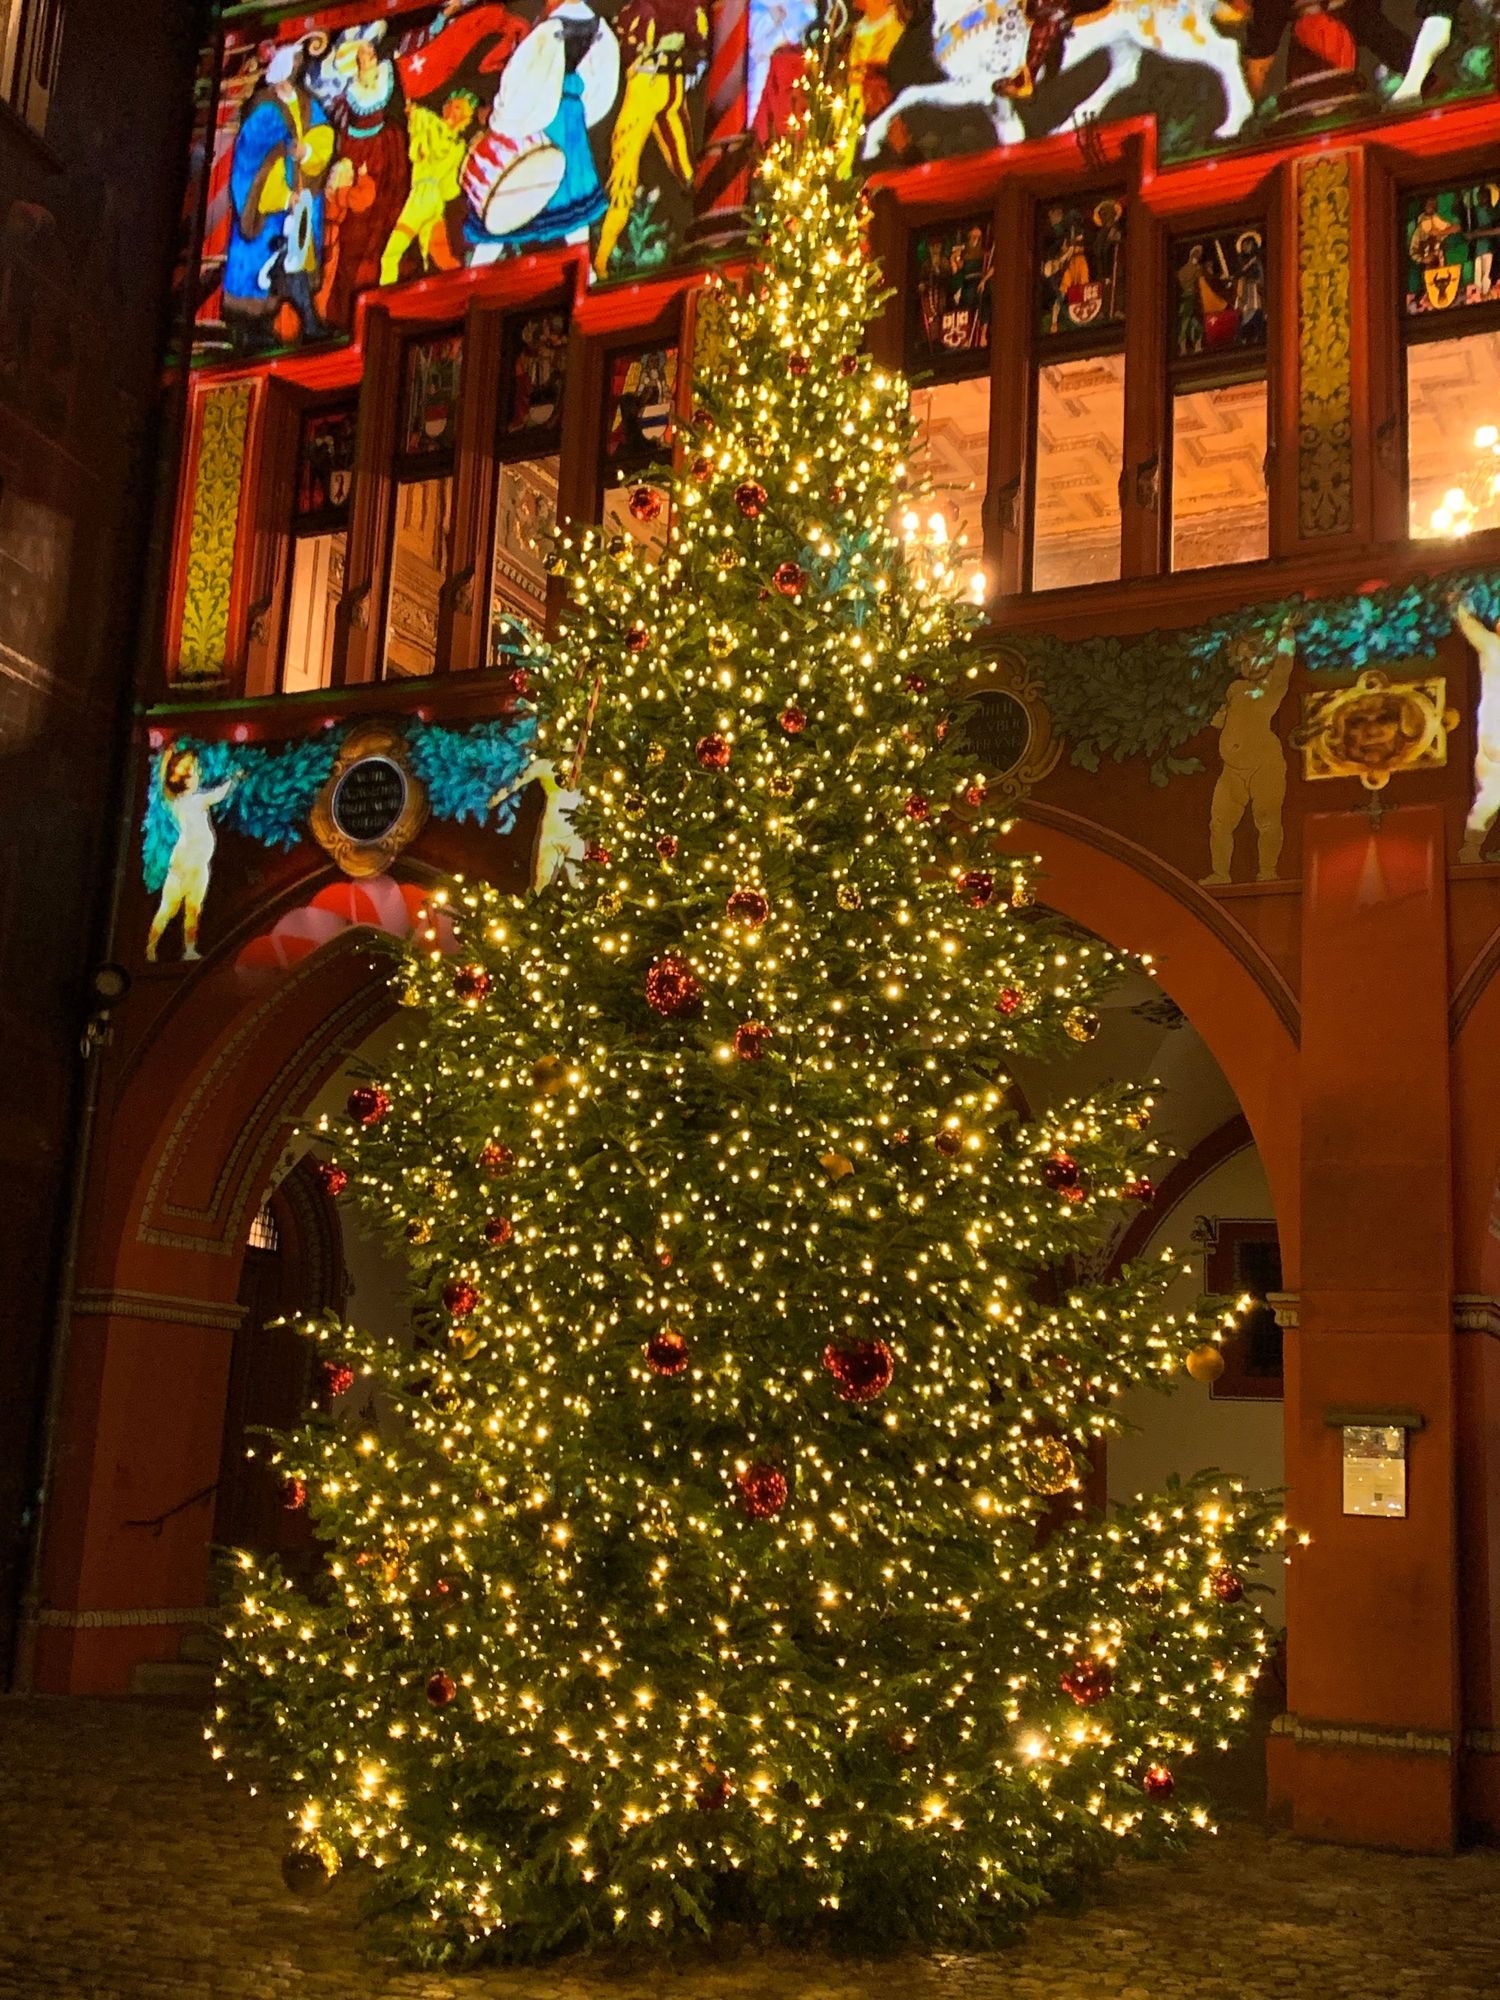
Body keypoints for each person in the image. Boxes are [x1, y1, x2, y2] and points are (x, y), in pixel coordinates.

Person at [223, 40, 336, 351]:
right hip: (270, 210)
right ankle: (254, 330)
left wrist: (307, 151)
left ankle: (309, 322)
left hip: (300, 203)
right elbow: (254, 162)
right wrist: (283, 197)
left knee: (295, 260)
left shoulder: (305, 103)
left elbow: (324, 133)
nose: (294, 67)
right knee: (264, 267)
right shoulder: (264, 110)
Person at [593, 0, 707, 279]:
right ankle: (603, 256)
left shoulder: (642, 9)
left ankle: (602, 259)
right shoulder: (686, 7)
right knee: (684, 169)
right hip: (669, 82)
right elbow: (698, 41)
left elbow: (629, 42)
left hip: (650, 83)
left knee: (625, 171)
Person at [321, 24, 410, 326]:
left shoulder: (389, 76)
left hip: (386, 151)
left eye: (370, 51)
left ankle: (375, 298)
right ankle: (343, 309)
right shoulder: (347, 94)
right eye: (362, 54)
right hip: (354, 152)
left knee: (382, 222)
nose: (368, 56)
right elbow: (338, 124)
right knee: (351, 236)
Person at [1201, 615, 1296, 886]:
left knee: (1266, 820)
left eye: (1254, 657)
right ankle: (1220, 874)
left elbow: (1285, 663)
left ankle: (1267, 871)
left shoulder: (1271, 687)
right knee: (1219, 823)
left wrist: (1287, 632)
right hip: (1232, 769)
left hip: (1264, 764)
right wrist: (1221, 718)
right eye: (1242, 659)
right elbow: (1225, 719)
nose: (1248, 664)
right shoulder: (1235, 688)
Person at [146, 749, 240, 962]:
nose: (198, 775)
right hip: (184, 866)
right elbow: (218, 794)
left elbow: (165, 786)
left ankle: (187, 949)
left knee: (190, 909)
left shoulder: (178, 801)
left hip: (198, 865)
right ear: (184, 778)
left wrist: (166, 762)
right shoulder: (192, 800)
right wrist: (234, 778)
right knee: (171, 908)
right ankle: (152, 947)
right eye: (193, 771)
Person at [1451, 595, 1500, 861]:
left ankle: (1474, 848)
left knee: (1490, 798)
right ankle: (1471, 849)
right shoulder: (1493, 647)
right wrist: (1459, 603)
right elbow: (1470, 626)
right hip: (1496, 740)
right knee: (1490, 798)